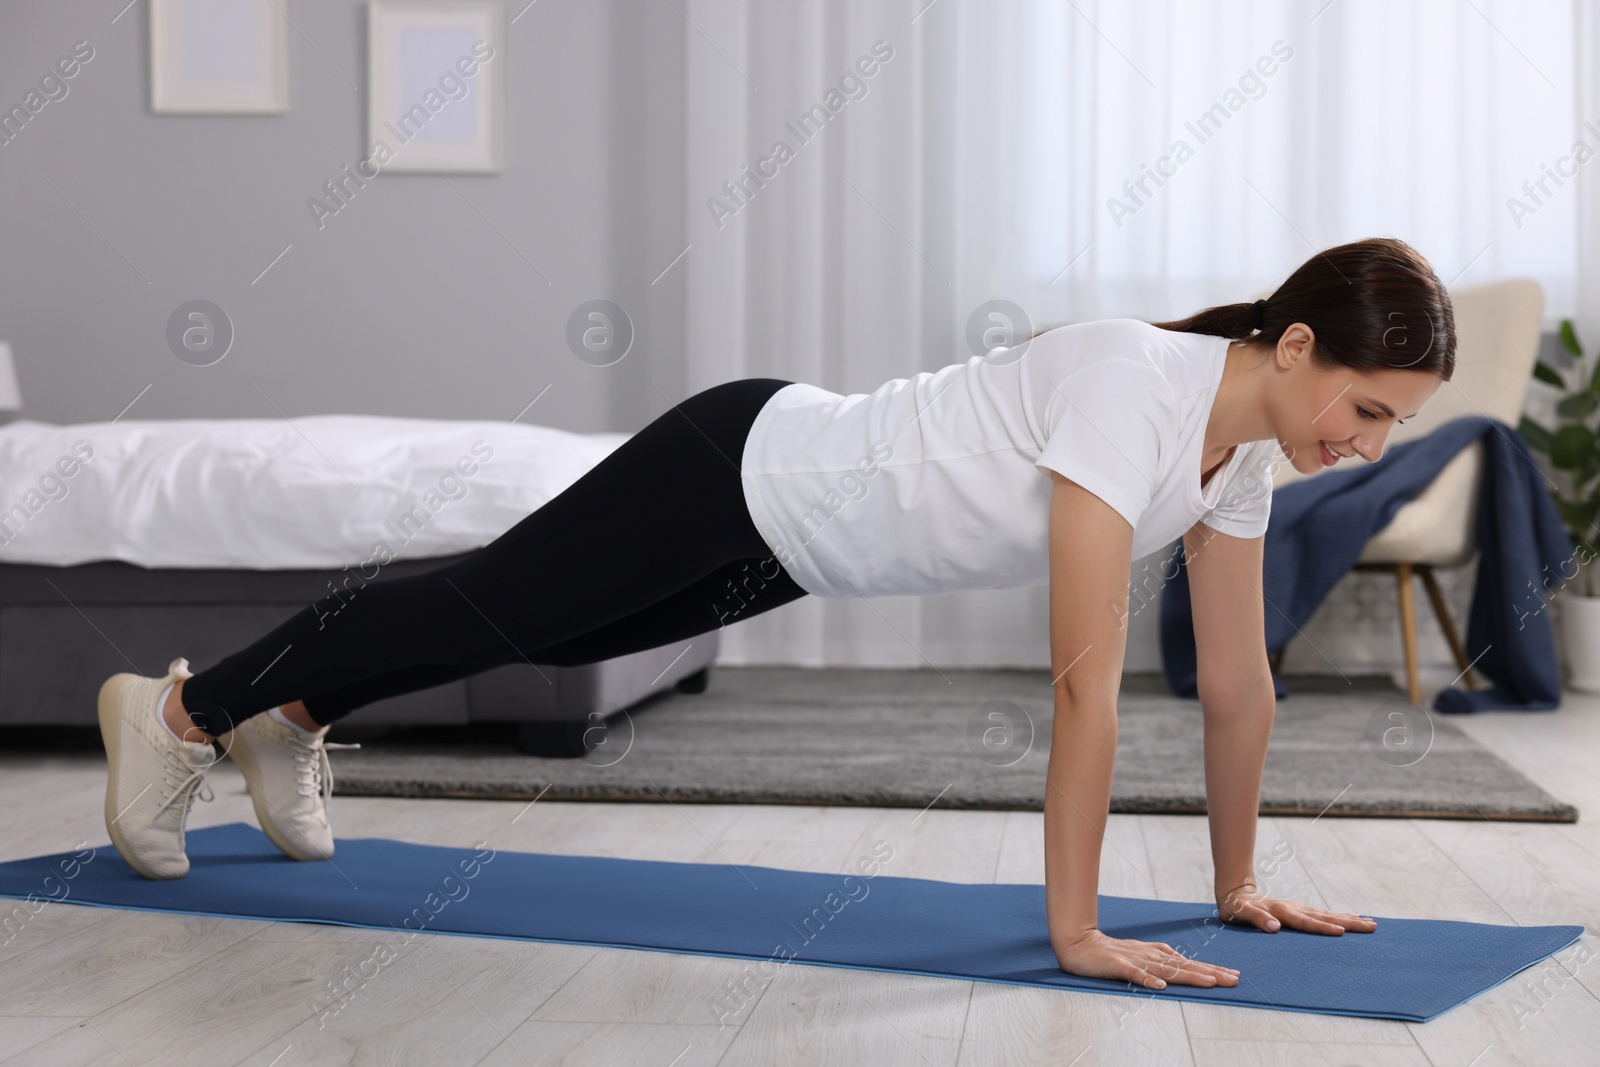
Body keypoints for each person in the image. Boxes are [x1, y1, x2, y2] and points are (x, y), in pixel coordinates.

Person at [97, 235, 1452, 992]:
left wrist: (1235, 886)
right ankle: (179, 712)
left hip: (799, 548)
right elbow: (1086, 682)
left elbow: (1235, 683)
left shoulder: (1247, 455)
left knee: (543, 638)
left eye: (1398, 424)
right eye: (1371, 408)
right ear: (1291, 349)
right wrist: (1076, 932)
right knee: (489, 607)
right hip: (739, 470)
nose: (1374, 444)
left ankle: (297, 715)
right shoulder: (1134, 386)